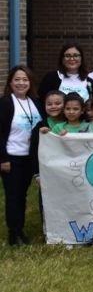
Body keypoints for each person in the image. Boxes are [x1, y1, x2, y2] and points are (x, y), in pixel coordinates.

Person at [0, 67, 43, 246]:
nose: (21, 83)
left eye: (24, 79)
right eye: (17, 79)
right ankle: (14, 234)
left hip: (30, 158)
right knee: (14, 196)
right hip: (12, 157)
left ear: (30, 82)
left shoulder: (36, 102)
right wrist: (3, 159)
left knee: (23, 196)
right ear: (10, 82)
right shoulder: (5, 103)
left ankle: (21, 230)